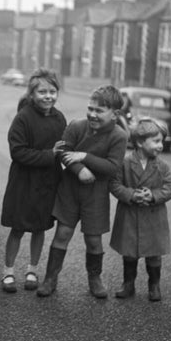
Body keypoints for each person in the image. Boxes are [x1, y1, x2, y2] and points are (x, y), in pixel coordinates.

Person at [37, 85, 128, 299]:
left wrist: (84, 157)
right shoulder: (77, 126)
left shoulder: (119, 136)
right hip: (70, 190)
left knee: (94, 240)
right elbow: (62, 150)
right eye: (90, 109)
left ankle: (94, 278)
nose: (92, 114)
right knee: (63, 233)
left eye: (99, 111)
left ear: (115, 114)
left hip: (96, 195)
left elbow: (112, 167)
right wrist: (79, 170)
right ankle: (50, 278)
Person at [0, 68, 67, 293]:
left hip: (48, 183)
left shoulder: (59, 118)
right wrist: (50, 154)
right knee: (18, 228)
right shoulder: (23, 118)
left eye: (52, 91)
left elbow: (65, 148)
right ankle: (8, 272)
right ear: (32, 94)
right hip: (24, 183)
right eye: (42, 92)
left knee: (40, 228)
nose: (48, 96)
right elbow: (18, 152)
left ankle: (32, 271)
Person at [110, 117, 171, 302]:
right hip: (130, 215)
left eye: (161, 141)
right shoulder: (124, 163)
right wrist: (131, 194)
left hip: (154, 216)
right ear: (140, 142)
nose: (160, 145)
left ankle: (154, 285)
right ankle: (128, 284)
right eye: (156, 141)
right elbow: (114, 184)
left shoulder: (162, 166)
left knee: (154, 254)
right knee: (129, 253)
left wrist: (153, 195)